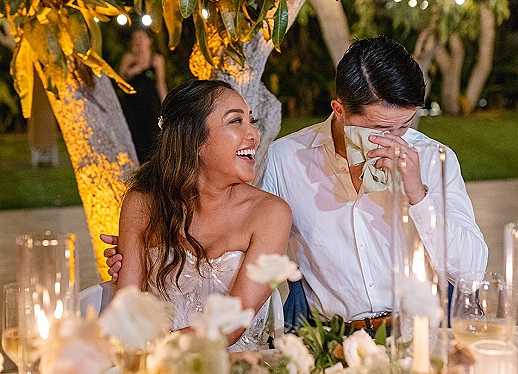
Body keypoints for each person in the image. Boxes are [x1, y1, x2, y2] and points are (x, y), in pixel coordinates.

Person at [104, 38, 487, 332]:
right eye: (378, 130)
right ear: (339, 110)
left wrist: (419, 196)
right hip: (334, 343)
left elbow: (470, 272)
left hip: (426, 335)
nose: (395, 140)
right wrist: (150, 249)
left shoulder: (434, 160)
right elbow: (237, 229)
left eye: (404, 126)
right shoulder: (289, 160)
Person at [114, 78, 292, 349]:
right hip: (152, 373)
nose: (253, 134)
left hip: (237, 372)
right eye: (236, 122)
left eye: (251, 122)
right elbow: (127, 312)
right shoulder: (142, 205)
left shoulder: (269, 214)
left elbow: (230, 327)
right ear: (194, 140)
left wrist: (155, 350)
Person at [119, 29, 168, 163]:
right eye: (135, 38)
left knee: (153, 134)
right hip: (133, 103)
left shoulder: (157, 59)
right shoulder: (129, 58)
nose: (138, 41)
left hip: (151, 103)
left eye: (141, 37)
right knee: (135, 134)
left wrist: (165, 105)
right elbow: (120, 80)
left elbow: (160, 83)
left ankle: (154, 163)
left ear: (149, 40)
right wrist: (134, 70)